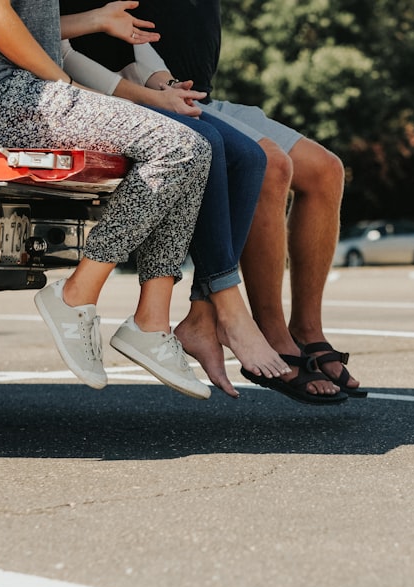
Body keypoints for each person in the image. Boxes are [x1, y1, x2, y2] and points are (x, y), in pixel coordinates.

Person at [0, 0, 288, 399]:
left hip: (26, 91)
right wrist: (63, 83)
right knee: (179, 146)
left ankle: (151, 323)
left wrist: (96, 21)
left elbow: (36, 27)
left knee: (194, 146)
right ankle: (75, 295)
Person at [64, 0, 367, 401]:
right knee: (269, 164)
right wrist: (150, 92)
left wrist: (165, 83)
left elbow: (132, 40)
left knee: (325, 170)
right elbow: (73, 45)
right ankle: (262, 329)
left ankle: (306, 330)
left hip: (183, 91)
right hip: (121, 97)